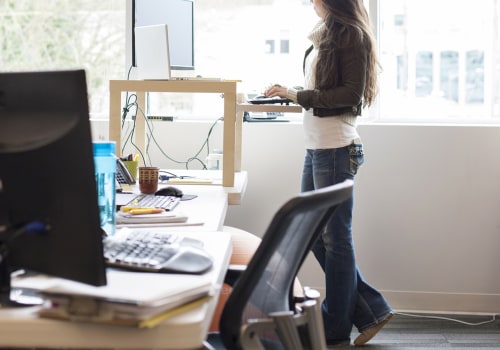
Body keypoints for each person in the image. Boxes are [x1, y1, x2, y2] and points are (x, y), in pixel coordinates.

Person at [264, 0, 393, 346]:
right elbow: (327, 88)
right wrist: (291, 93)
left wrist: (295, 94)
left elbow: (350, 94)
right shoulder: (329, 36)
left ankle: (336, 326)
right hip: (319, 149)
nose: (310, 2)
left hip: (336, 150)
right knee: (314, 236)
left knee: (336, 239)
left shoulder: (351, 35)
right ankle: (370, 310)